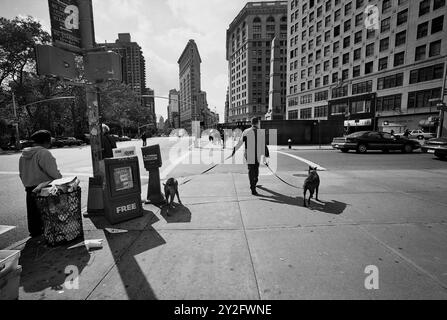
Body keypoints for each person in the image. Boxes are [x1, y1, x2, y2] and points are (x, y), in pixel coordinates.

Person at [19, 130, 62, 238]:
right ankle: (48, 234)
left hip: (30, 187)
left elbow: (21, 173)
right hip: (44, 187)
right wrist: (60, 179)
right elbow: (52, 172)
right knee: (48, 213)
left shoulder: (23, 155)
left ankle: (34, 232)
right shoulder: (44, 153)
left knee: (33, 213)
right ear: (46, 141)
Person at [232, 117, 270, 196]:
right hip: (257, 154)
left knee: (251, 170)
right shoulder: (260, 132)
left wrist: (235, 149)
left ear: (251, 123)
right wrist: (266, 155)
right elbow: (264, 145)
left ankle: (253, 187)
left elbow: (240, 142)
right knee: (255, 169)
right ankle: (255, 182)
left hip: (248, 154)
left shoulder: (246, 131)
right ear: (257, 123)